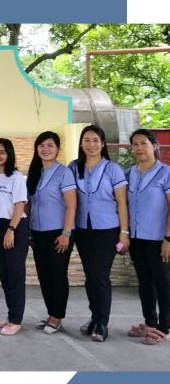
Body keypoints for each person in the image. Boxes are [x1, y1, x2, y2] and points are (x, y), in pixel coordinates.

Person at [68, 124, 129, 342]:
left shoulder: (113, 169)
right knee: (90, 276)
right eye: (87, 140)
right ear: (81, 143)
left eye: (96, 140)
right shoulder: (74, 167)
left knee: (100, 276)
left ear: (103, 144)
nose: (91, 144)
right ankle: (94, 316)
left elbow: (122, 202)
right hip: (83, 230)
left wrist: (124, 233)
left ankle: (102, 323)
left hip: (107, 229)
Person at [26, 131, 77, 334]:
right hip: (38, 233)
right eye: (41, 146)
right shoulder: (35, 172)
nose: (45, 150)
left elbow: (72, 205)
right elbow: (29, 204)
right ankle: (51, 314)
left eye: (50, 146)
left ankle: (57, 317)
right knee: (44, 275)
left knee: (57, 274)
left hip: (59, 232)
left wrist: (66, 233)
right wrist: (28, 230)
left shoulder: (64, 172)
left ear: (57, 149)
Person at [125, 129, 170, 345]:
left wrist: (168, 239)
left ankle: (164, 327)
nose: (139, 148)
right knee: (145, 282)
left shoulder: (166, 173)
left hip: (159, 240)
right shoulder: (129, 173)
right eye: (135, 144)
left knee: (164, 283)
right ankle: (150, 322)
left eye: (143, 143)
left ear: (154, 146)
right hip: (136, 239)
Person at [0, 138, 29, 336]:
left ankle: (16, 320)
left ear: (9, 155)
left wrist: (11, 229)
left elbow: (20, 205)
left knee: (15, 274)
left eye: (2, 152)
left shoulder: (16, 177)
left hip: (14, 227)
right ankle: (11, 316)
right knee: (4, 275)